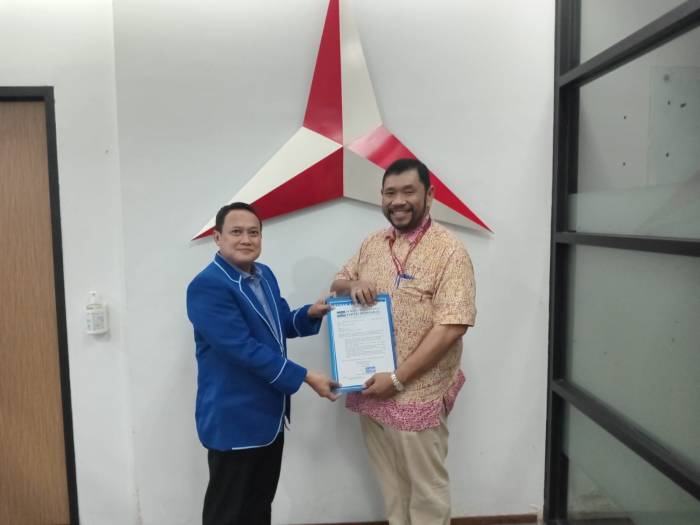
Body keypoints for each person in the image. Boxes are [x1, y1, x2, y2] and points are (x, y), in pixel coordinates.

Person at [331, 158, 476, 525]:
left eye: (408, 191)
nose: (398, 201)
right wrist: (353, 284)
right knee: (393, 489)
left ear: (430, 195)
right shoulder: (372, 243)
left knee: (426, 495)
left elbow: (452, 326)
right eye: (390, 192)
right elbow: (338, 283)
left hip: (417, 393)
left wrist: (396, 379)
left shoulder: (450, 251)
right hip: (371, 389)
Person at [187, 202, 339, 525]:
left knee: (258, 508)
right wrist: (306, 376)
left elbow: (278, 323)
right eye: (236, 232)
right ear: (217, 238)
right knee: (228, 514)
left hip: (269, 418)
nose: (246, 239)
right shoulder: (208, 286)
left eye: (253, 232)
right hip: (234, 420)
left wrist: (310, 313)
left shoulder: (264, 275)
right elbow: (242, 348)